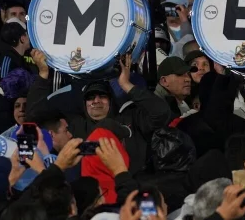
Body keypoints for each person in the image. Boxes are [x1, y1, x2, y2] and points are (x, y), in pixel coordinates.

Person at [26, 53, 171, 174]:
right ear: (84, 104)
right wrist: (43, 74)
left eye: (102, 96)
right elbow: (32, 117)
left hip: (131, 187)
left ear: (111, 100)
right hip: (90, 193)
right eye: (90, 98)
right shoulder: (74, 127)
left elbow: (162, 112)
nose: (96, 101)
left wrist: (126, 85)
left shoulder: (131, 119)